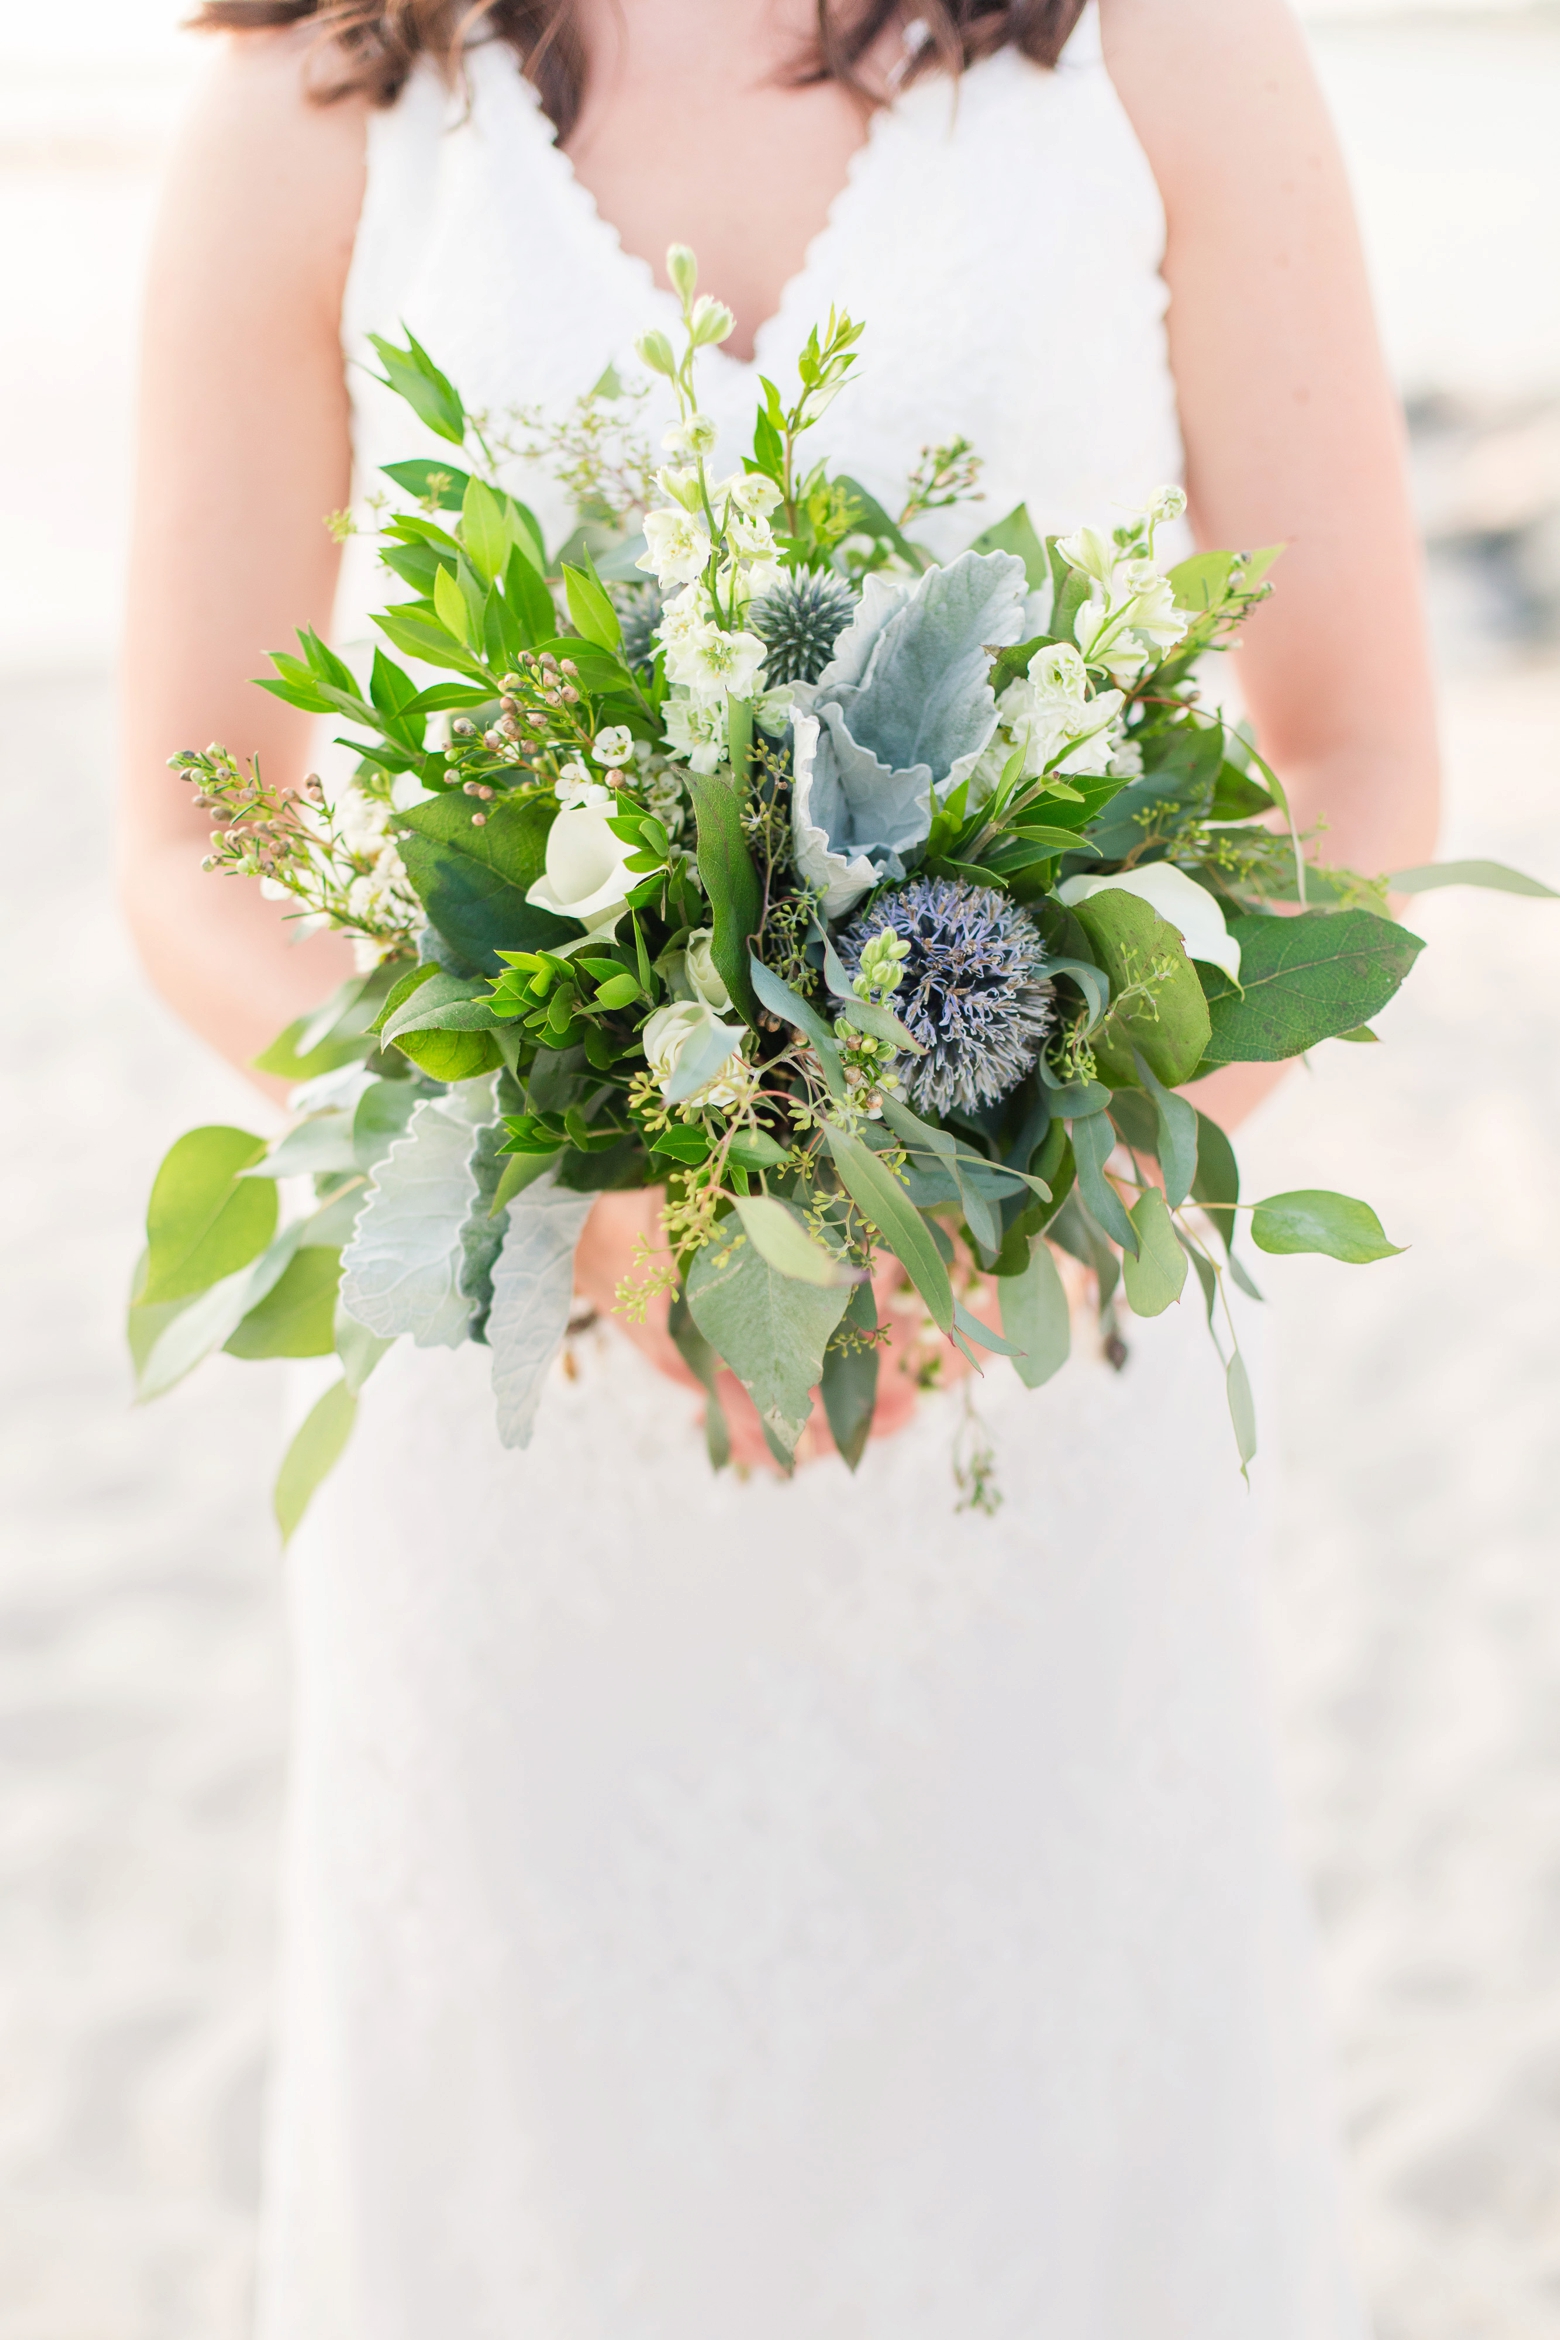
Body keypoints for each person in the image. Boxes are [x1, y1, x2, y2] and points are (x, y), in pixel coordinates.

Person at [121, 1, 1439, 2330]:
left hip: (1032, 1410)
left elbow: (1351, 764)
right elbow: (184, 834)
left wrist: (1047, 1185)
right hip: (523, 1461)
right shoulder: (314, 98)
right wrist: (585, 1198)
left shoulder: (1173, 49)